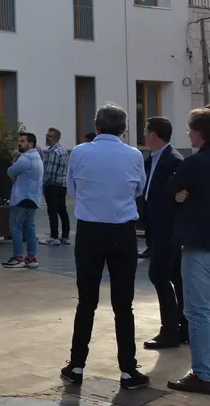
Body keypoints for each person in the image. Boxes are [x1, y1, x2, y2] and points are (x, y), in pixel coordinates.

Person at [62, 103, 148, 390]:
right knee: (124, 304)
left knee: (86, 301)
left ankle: (76, 365)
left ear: (96, 126)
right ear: (124, 129)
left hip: (89, 231)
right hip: (123, 232)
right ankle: (128, 370)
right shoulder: (134, 155)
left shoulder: (80, 152)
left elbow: (72, 189)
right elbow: (138, 189)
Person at [165, 108, 210, 393]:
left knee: (198, 311)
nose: (188, 135)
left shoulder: (194, 163)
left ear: (200, 133)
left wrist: (179, 195)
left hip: (200, 245)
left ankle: (203, 373)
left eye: (190, 130)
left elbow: (169, 190)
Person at [142, 116, 186, 349]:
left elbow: (180, 195)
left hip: (168, 228)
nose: (143, 135)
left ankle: (170, 330)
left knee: (159, 275)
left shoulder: (173, 160)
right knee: (175, 276)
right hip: (155, 225)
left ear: (153, 135)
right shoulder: (152, 158)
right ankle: (183, 327)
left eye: (145, 131)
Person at [4, 132, 44, 269]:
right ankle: (31, 257)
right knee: (30, 228)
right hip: (33, 197)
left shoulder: (26, 158)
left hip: (22, 197)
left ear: (30, 144)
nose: (19, 143)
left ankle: (17, 257)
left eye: (22, 141)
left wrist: (13, 172)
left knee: (15, 227)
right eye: (19, 140)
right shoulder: (37, 157)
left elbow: (11, 171)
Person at [41, 128, 70, 246]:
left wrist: (43, 184)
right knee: (62, 210)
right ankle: (65, 236)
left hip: (52, 186)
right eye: (47, 135)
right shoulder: (63, 150)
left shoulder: (53, 151)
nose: (47, 138)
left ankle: (54, 237)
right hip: (62, 185)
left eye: (50, 136)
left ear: (56, 138)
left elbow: (50, 172)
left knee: (52, 211)